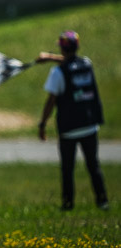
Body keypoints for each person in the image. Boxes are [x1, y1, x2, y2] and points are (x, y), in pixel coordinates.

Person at [35, 31, 108, 210]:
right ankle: (102, 201)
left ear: (62, 48)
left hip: (69, 127)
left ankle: (68, 204)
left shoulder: (58, 73)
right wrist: (51, 58)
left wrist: (43, 124)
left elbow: (51, 101)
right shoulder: (87, 64)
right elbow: (73, 63)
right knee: (94, 166)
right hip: (90, 124)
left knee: (67, 169)